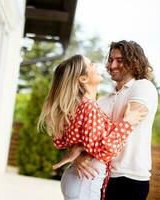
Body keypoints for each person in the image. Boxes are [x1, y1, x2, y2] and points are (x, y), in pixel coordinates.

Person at [37, 54, 148, 200]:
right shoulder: (88, 107)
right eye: (90, 64)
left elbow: (65, 140)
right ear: (83, 79)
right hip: (84, 181)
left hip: (79, 177)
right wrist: (127, 123)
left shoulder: (80, 106)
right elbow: (104, 150)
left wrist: (79, 148)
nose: (96, 65)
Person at [71, 41, 158, 200]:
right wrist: (77, 156)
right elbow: (86, 137)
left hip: (129, 177)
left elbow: (130, 122)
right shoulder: (102, 100)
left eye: (120, 60)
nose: (112, 65)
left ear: (134, 62)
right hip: (100, 175)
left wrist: (89, 144)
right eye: (110, 60)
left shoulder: (143, 87)